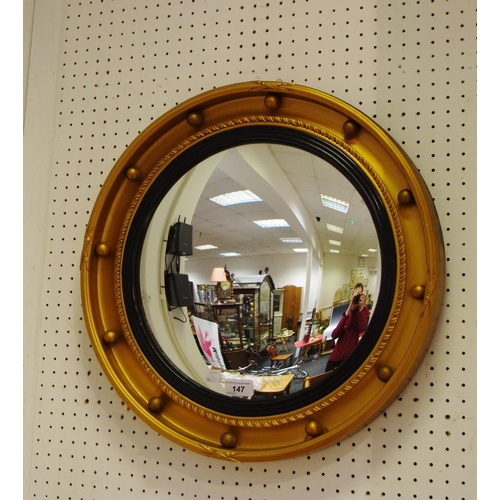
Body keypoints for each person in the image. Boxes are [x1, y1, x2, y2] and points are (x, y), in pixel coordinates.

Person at [325, 283, 370, 372]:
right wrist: (349, 309)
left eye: (359, 294)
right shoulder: (347, 311)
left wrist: (360, 308)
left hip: (351, 355)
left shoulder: (364, 311)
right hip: (336, 355)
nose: (357, 297)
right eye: (355, 294)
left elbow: (362, 328)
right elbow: (334, 335)